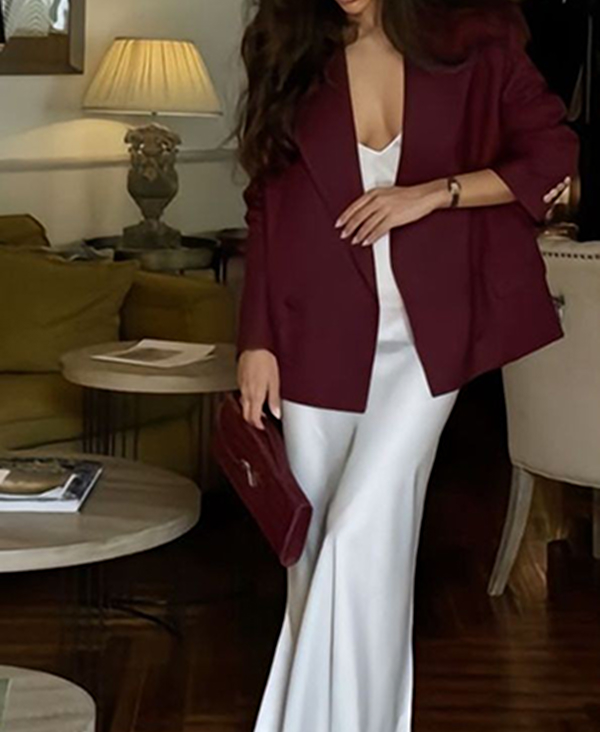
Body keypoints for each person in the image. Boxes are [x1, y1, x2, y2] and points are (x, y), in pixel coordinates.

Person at [231, 0, 580, 730]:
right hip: (313, 334)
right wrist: (255, 339)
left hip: (425, 343)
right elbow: (264, 202)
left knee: (361, 529)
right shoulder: (291, 53)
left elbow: (553, 154)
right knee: (315, 547)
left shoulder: (474, 44)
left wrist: (434, 194)